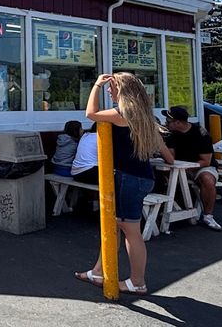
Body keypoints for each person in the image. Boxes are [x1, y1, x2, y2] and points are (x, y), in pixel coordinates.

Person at [75, 72, 174, 295]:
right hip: (141, 176)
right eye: (107, 87)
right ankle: (100, 270)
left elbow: (91, 113)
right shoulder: (144, 115)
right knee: (114, 226)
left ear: (122, 90)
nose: (109, 90)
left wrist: (96, 86)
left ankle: (137, 281)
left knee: (131, 231)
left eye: (112, 87)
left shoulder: (122, 113)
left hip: (128, 178)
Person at [162, 106, 222, 231]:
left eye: (168, 121)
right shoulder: (170, 134)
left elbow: (206, 161)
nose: (165, 123)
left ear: (177, 122)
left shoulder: (201, 133)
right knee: (162, 175)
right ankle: (170, 209)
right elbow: (170, 157)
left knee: (207, 180)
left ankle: (208, 216)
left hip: (201, 166)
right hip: (179, 166)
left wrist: (188, 167)